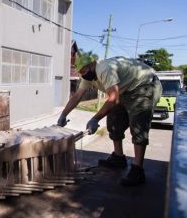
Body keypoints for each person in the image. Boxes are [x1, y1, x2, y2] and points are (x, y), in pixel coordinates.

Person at [57, 55, 162, 186]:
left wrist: (94, 119)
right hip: (124, 90)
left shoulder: (104, 69)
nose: (83, 74)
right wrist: (63, 115)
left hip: (144, 85)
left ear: (92, 64)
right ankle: (118, 158)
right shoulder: (87, 76)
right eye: (80, 72)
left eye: (84, 70)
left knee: (138, 125)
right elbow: (77, 96)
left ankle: (137, 170)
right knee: (113, 122)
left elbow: (113, 98)